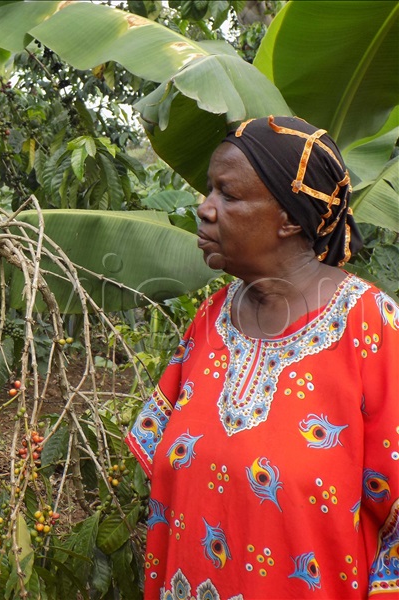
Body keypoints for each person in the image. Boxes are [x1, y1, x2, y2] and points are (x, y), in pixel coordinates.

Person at [125, 115, 398, 599]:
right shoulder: (211, 318)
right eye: (209, 190)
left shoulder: (372, 327)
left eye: (228, 195)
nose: (204, 209)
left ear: (289, 217)